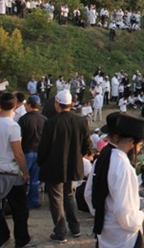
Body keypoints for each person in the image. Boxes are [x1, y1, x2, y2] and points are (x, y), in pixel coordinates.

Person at [85, 114, 144, 248]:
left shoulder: (103, 157)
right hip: (123, 238)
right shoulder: (124, 167)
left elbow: (88, 194)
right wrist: (141, 215)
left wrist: (103, 215)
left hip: (106, 230)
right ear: (132, 143)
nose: (139, 150)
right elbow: (125, 214)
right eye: (140, 146)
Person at [0, 92, 36, 248]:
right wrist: (25, 172)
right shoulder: (12, 126)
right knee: (19, 209)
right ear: (15, 106)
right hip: (10, 172)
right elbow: (18, 153)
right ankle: (22, 239)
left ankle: (1, 239)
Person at [37, 90, 91, 243]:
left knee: (56, 199)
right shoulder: (81, 121)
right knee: (69, 195)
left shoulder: (51, 123)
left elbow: (43, 148)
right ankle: (75, 227)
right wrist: (77, 155)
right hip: (73, 165)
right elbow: (87, 146)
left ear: (56, 103)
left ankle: (60, 231)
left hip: (54, 166)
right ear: (71, 104)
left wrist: (41, 162)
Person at [17, 95, 46, 210]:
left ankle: (20, 200)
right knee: (35, 179)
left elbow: (18, 138)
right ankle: (34, 200)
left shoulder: (24, 119)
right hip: (40, 152)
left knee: (22, 177)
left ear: (29, 105)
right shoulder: (44, 119)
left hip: (27, 151)